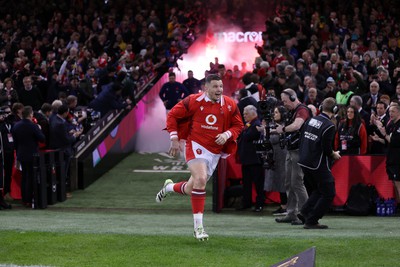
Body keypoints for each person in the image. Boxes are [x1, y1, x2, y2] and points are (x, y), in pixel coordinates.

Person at [155, 74, 243, 240]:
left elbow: (238, 125)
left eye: (221, 86)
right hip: (196, 145)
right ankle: (198, 228)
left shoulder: (230, 104)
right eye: (215, 86)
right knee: (201, 180)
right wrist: (174, 138)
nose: (219, 90)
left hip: (215, 151)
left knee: (191, 188)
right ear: (206, 88)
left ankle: (168, 187)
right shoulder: (193, 100)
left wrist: (227, 134)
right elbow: (172, 115)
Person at [297, 97, 341, 229]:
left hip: (304, 160)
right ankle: (312, 220)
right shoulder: (329, 126)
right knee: (329, 193)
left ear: (321, 107)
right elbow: (326, 148)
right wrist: (334, 154)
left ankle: (304, 212)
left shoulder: (311, 120)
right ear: (334, 110)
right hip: (317, 163)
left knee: (318, 189)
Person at [275, 88, 311, 225]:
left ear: (293, 97)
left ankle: (306, 214)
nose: (284, 104)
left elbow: (297, 126)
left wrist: (283, 129)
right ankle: (291, 213)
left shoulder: (302, 110)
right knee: (289, 183)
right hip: (292, 150)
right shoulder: (293, 111)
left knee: (297, 182)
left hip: (299, 150)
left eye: (285, 101)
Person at [11, 106, 45, 207]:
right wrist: (39, 129)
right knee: (30, 177)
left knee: (24, 177)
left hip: (21, 154)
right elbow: (42, 139)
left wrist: (17, 156)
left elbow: (15, 143)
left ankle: (24, 199)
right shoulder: (33, 126)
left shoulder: (16, 126)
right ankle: (29, 199)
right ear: (30, 115)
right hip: (32, 155)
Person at [236, 105, 265, 212]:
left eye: (246, 113)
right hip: (247, 160)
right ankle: (246, 203)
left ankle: (260, 204)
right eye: (243, 114)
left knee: (258, 184)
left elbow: (247, 136)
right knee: (246, 184)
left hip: (255, 160)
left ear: (253, 113)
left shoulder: (256, 124)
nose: (244, 116)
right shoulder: (249, 124)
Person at [264, 105, 288, 216]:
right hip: (274, 156)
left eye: (277, 112)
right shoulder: (272, 126)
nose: (274, 114)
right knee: (278, 180)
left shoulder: (286, 126)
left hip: (284, 156)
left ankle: (287, 206)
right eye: (274, 112)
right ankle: (283, 205)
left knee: (284, 180)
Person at [376, 103, 400, 207]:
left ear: (399, 112)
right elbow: (388, 142)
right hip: (392, 158)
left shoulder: (399, 126)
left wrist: (384, 134)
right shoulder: (392, 125)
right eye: (390, 111)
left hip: (398, 159)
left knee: (398, 183)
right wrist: (379, 139)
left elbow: (395, 142)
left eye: (393, 111)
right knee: (395, 183)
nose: (391, 114)